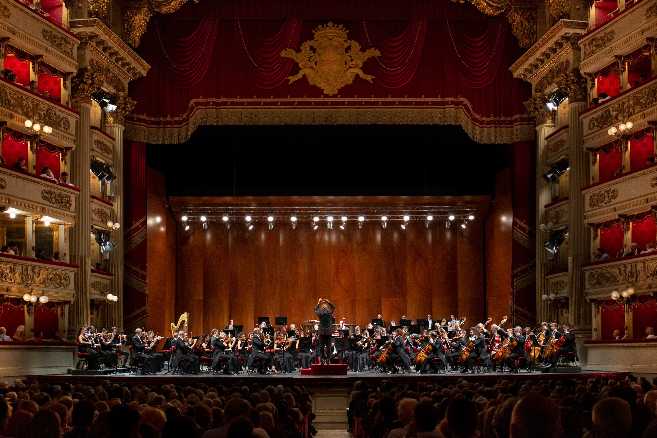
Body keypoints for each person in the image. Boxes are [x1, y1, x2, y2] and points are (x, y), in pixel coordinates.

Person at [314, 297, 335, 364]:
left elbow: (315, 309)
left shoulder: (321, 313)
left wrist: (319, 302)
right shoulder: (329, 313)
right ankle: (325, 359)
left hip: (324, 332)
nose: (324, 307)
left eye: (325, 306)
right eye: (324, 306)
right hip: (326, 332)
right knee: (324, 347)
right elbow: (333, 307)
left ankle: (325, 359)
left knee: (324, 347)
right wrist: (328, 302)